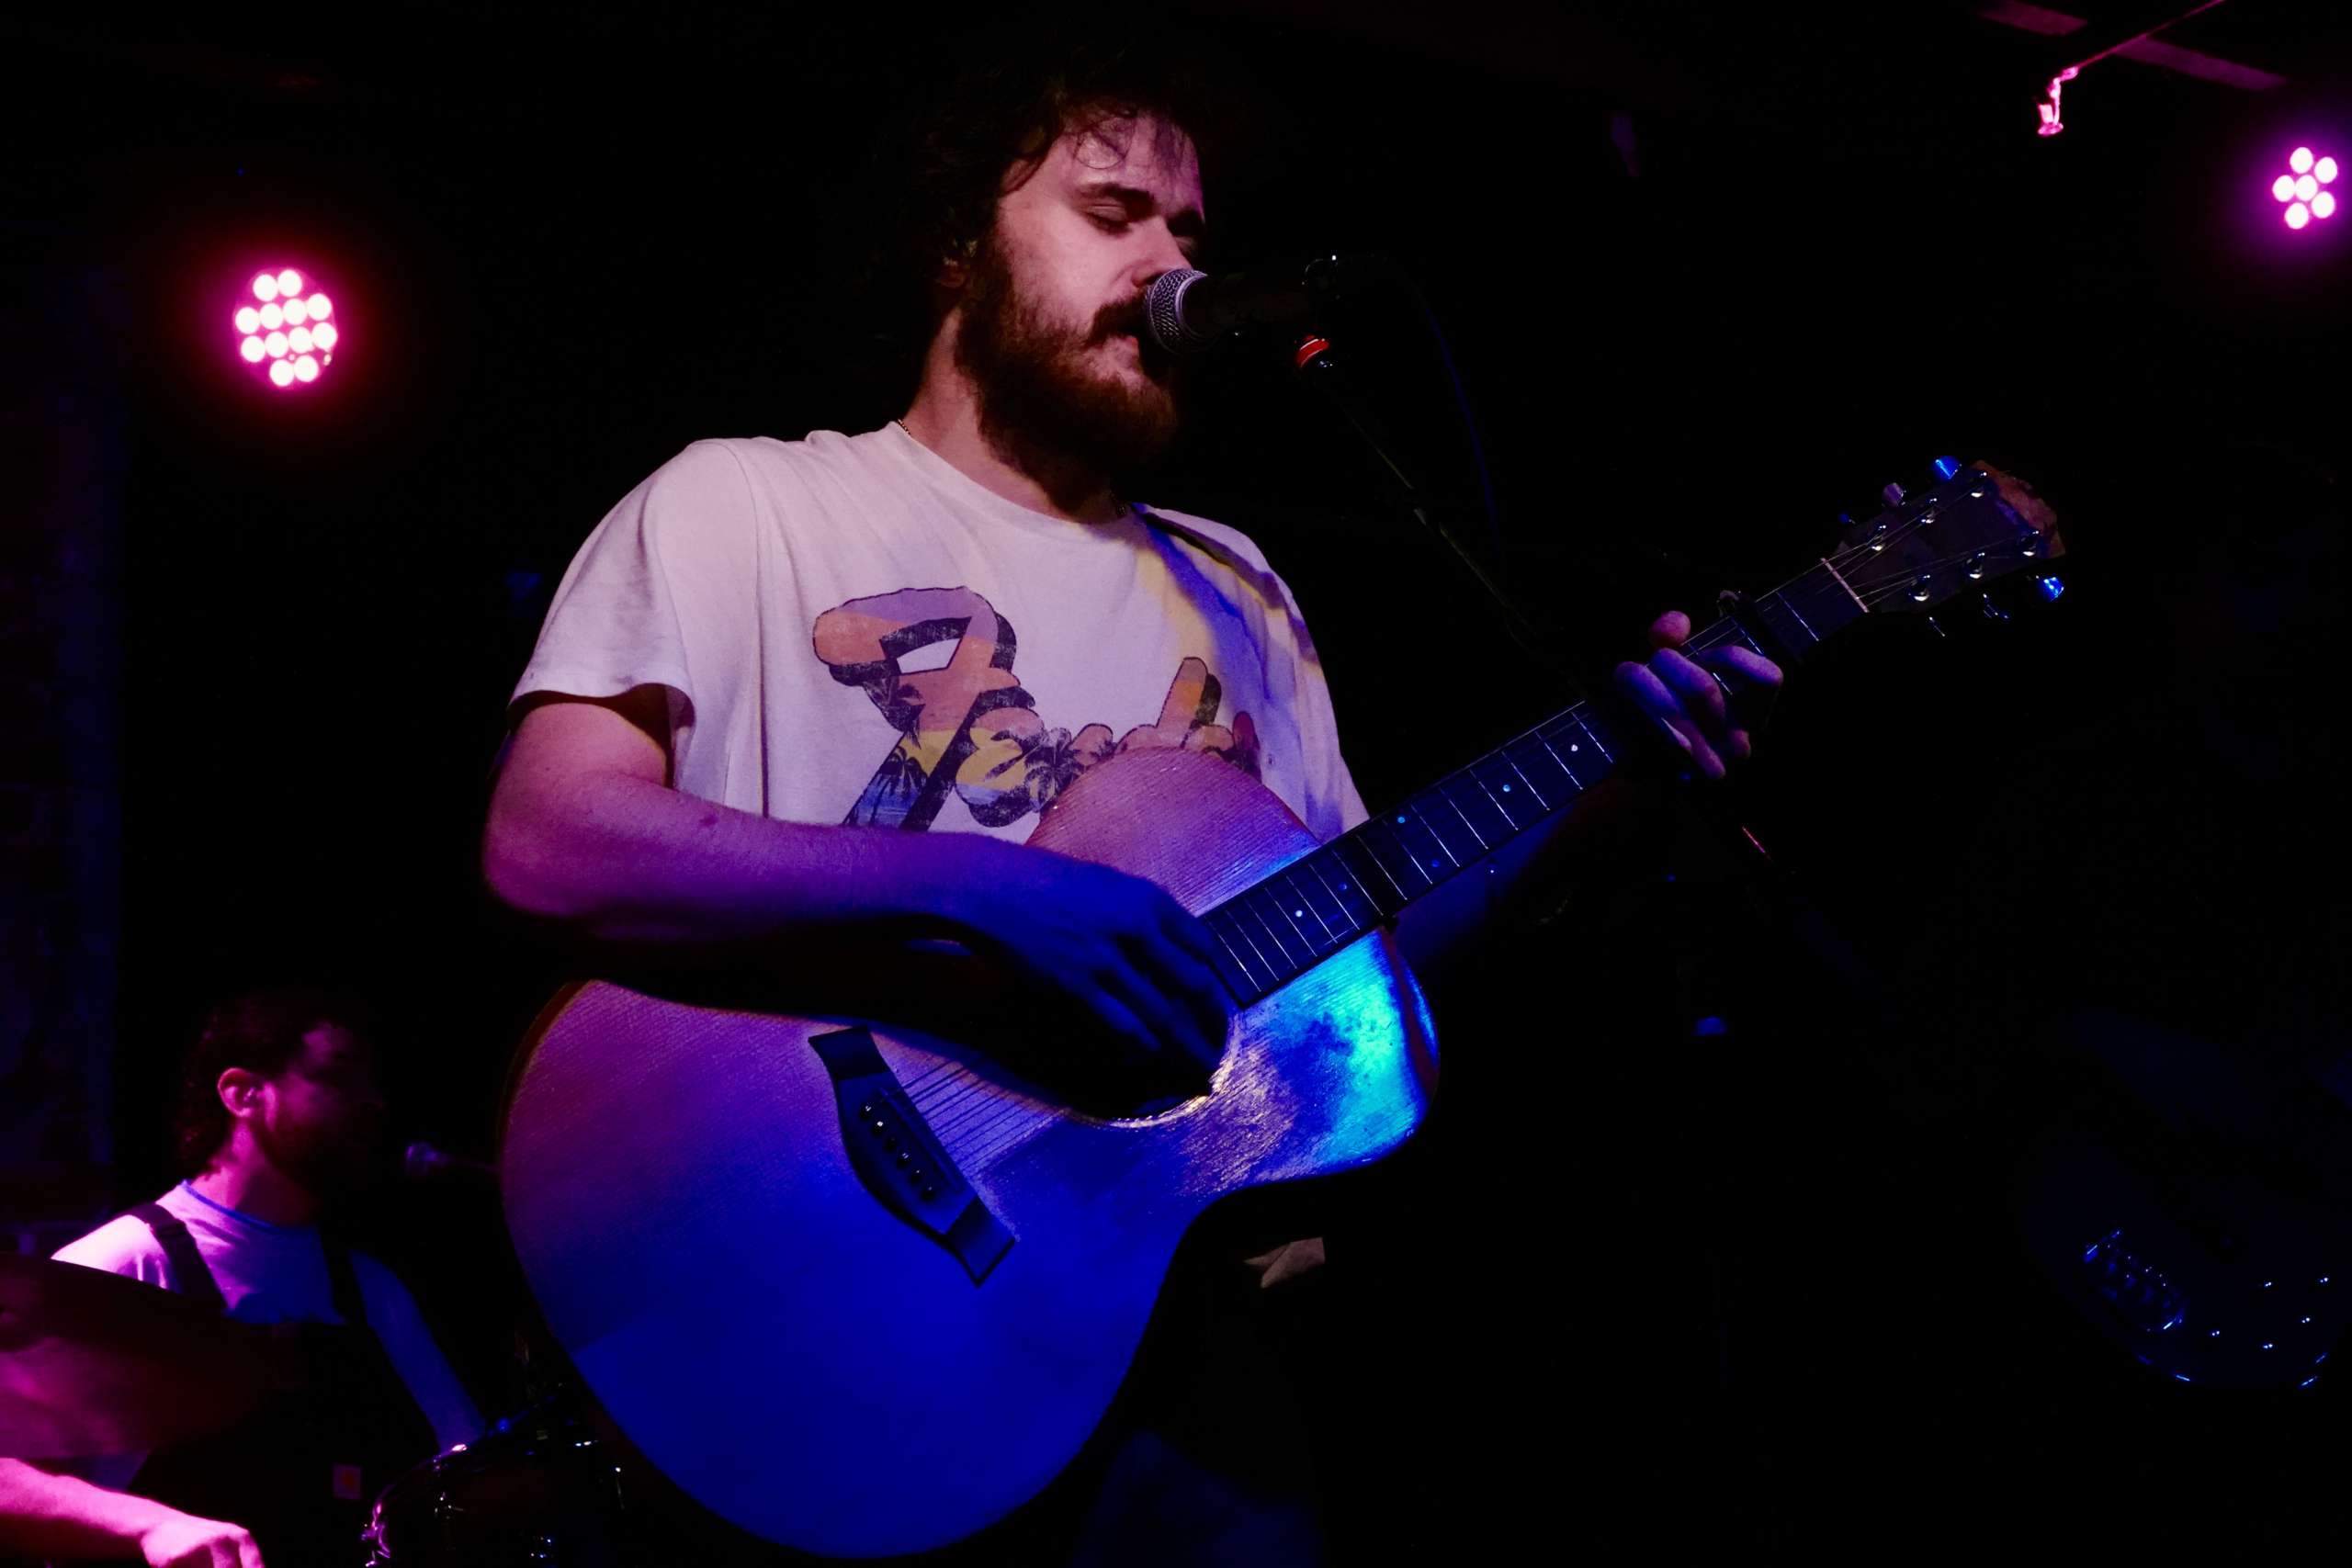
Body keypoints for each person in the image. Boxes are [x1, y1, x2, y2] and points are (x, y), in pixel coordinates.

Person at [482, 32, 1775, 1562]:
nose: (1173, 263)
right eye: (1114, 213)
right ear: (961, 243)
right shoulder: (746, 502)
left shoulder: (1239, 584)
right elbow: (549, 841)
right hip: (836, 1310)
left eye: (1189, 229)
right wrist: (993, 891)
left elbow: (1340, 970)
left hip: (1186, 1349)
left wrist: (1590, 800)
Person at [45, 990, 479, 1567]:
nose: (373, 1102)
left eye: (372, 1084)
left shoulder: (371, 1290)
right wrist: (153, 1525)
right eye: (338, 1077)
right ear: (243, 1094)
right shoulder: (130, 1261)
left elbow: (469, 1472)